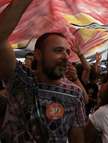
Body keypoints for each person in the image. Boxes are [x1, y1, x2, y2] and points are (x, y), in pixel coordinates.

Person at [0, 1, 86, 142]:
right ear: (38, 55)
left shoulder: (75, 94)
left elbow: (77, 137)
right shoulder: (20, 79)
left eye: (67, 52)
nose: (65, 56)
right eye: (58, 50)